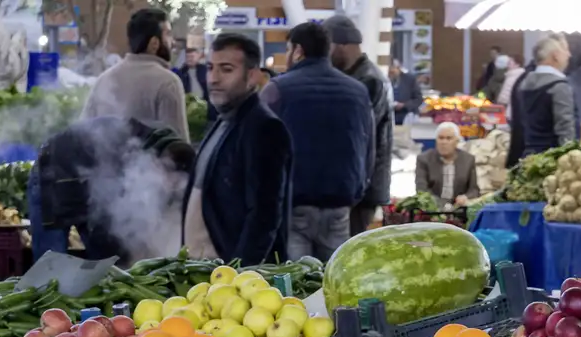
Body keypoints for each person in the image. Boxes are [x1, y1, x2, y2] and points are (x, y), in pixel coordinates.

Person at [260, 23, 373, 261]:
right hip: (340, 204)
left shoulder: (278, 89)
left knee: (298, 281)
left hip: (294, 205)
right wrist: (357, 189)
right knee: (333, 279)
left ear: (298, 51)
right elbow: (368, 146)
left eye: (288, 48)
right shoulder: (358, 91)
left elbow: (260, 148)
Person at [184, 33, 292, 265]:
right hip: (205, 271)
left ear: (252, 76)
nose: (213, 78)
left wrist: (239, 273)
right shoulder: (224, 121)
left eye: (226, 69)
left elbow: (265, 215)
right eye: (211, 67)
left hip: (231, 278)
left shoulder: (264, 128)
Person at [30, 117, 195, 264]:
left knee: (107, 265)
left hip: (89, 181)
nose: (170, 188)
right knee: (51, 265)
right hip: (51, 171)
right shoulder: (134, 155)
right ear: (162, 163)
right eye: (171, 181)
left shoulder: (162, 148)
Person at [323, 15, 392, 236]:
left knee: (348, 251)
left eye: (328, 46)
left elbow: (358, 138)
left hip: (361, 190)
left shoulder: (369, 80)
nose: (325, 54)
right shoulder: (355, 76)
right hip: (353, 184)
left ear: (343, 44)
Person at [80, 8, 189, 141]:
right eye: (168, 34)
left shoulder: (104, 79)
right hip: (148, 162)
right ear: (154, 43)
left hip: (105, 162)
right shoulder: (168, 82)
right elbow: (179, 148)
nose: (172, 42)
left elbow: (82, 135)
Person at [507, 36, 575, 167]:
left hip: (527, 157)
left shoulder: (523, 83)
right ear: (555, 56)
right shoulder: (559, 87)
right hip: (551, 161)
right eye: (565, 51)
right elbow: (565, 129)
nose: (569, 55)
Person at [416, 123, 479, 207]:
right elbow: (421, 189)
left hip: (459, 208)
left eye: (448, 138)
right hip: (432, 209)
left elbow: (474, 189)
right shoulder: (424, 159)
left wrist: (465, 197)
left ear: (457, 141)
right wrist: (442, 205)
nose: (444, 142)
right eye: (441, 138)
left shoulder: (468, 160)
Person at [389, 59, 423, 125]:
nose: (391, 74)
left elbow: (418, 99)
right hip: (390, 116)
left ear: (399, 68)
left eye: (393, 71)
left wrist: (404, 105)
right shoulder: (384, 80)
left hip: (407, 115)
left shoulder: (410, 79)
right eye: (389, 72)